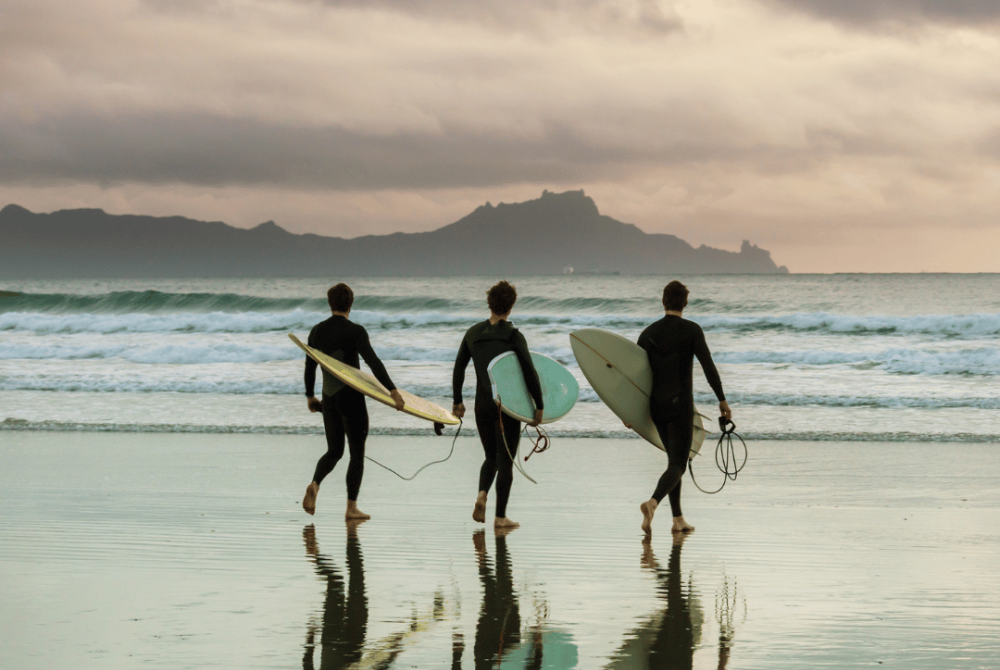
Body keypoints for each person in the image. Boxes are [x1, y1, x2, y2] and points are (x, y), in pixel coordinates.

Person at [636, 280, 731, 536]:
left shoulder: (647, 333)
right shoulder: (692, 330)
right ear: (685, 303)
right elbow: (708, 367)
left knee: (673, 462)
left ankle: (678, 520)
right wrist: (721, 399)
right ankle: (652, 503)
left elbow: (635, 377)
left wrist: (630, 412)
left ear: (663, 301)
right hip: (680, 407)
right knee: (679, 463)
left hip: (656, 407)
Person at [302, 283, 404, 518]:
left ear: (330, 304)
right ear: (351, 304)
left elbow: (310, 367)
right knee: (356, 453)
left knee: (334, 451)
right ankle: (351, 508)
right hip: (352, 399)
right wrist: (393, 390)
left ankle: (315, 484)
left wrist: (310, 396)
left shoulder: (316, 331)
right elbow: (373, 361)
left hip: (328, 397)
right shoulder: (355, 331)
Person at [452, 281, 543, 530]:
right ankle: (500, 517)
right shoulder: (513, 336)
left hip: (482, 404)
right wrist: (539, 404)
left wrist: (457, 400)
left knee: (490, 457)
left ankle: (482, 494)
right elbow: (529, 371)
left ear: (489, 303)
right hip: (507, 406)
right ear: (511, 306)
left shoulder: (473, 334)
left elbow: (459, 368)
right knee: (506, 462)